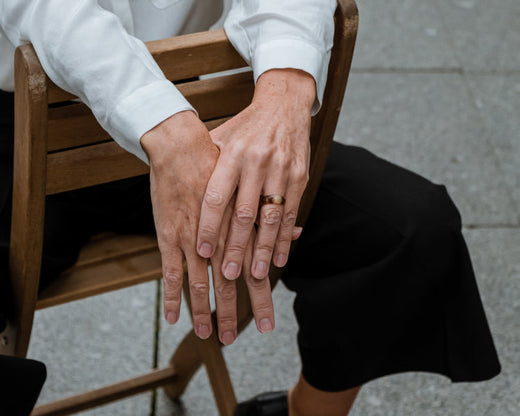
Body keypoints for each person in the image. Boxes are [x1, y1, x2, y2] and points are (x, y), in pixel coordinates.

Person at [0, 1, 501, 415]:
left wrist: (285, 89)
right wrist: (163, 128)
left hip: (191, 108)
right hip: (20, 130)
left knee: (405, 228)